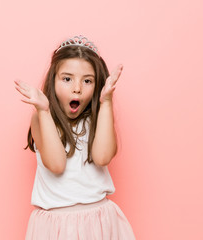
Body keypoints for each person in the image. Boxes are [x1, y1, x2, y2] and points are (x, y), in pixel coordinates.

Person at [14, 35, 136, 239]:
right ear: (53, 81)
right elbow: (56, 164)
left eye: (87, 80)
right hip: (56, 227)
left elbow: (103, 157)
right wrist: (43, 112)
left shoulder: (96, 118)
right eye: (67, 79)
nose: (77, 88)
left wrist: (106, 102)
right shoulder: (41, 118)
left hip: (99, 222)